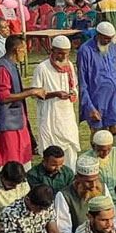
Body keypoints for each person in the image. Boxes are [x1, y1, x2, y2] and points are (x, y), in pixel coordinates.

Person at [0, 35, 41, 166]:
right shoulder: (2, 68)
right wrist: (31, 92)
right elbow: (3, 96)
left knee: (24, 157)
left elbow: (14, 90)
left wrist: (33, 89)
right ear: (17, 49)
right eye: (24, 49)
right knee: (11, 160)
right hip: (7, 122)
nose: (25, 52)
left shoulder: (10, 65)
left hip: (17, 119)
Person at [32, 36, 81, 167]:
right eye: (60, 53)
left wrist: (72, 93)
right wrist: (55, 94)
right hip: (49, 114)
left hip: (66, 114)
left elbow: (74, 86)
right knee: (50, 148)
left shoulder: (69, 65)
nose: (63, 56)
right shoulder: (42, 68)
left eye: (66, 53)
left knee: (70, 150)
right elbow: (35, 94)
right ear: (52, 50)